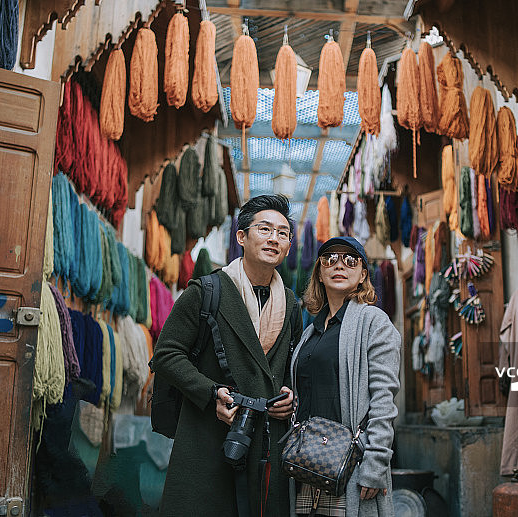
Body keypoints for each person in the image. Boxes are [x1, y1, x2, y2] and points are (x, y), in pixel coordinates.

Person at [152, 194, 303, 517]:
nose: (274, 238)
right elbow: (166, 354)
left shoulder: (290, 305)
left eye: (283, 233)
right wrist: (210, 392)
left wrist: (290, 395)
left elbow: (290, 363)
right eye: (264, 229)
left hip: (265, 442)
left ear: (289, 245)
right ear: (241, 237)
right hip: (209, 435)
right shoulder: (207, 291)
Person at [292, 236, 401, 517]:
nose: (339, 265)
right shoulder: (311, 331)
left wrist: (375, 465)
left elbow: (383, 401)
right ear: (319, 271)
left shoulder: (374, 322)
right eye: (330, 259)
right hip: (306, 463)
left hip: (349, 465)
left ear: (363, 273)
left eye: (350, 260)